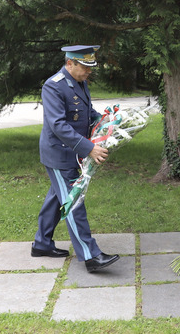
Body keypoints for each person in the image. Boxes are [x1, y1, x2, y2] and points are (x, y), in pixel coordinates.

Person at [31, 44, 120, 273]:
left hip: (71, 153)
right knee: (74, 202)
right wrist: (89, 148)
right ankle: (91, 256)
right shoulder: (53, 86)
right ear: (69, 63)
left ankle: (41, 244)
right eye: (84, 67)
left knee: (56, 197)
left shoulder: (80, 82)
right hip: (59, 154)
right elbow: (58, 125)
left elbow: (87, 113)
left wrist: (106, 122)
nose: (88, 72)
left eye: (90, 67)